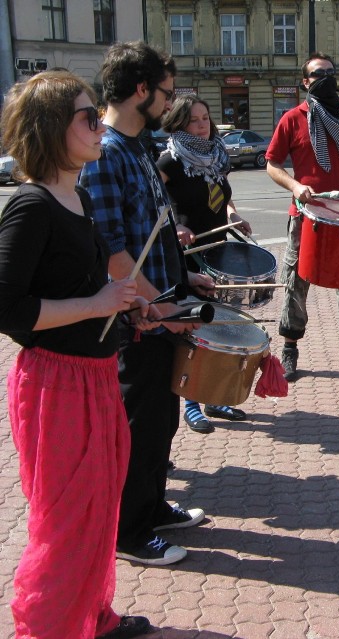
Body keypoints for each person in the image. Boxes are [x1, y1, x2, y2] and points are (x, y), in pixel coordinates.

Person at [0, 70, 156, 639]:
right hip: (55, 383)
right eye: (88, 117)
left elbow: (91, 285)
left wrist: (126, 306)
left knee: (96, 510)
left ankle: (90, 615)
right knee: (66, 519)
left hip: (93, 375)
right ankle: (48, 629)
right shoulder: (30, 206)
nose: (99, 126)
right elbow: (9, 311)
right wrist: (95, 305)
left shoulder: (80, 195)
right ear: (51, 128)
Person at [80, 41, 214, 566]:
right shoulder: (107, 153)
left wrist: (186, 282)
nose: (169, 101)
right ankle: (128, 533)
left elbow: (154, 237)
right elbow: (111, 250)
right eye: (165, 91)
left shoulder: (139, 146)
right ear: (141, 90)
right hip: (135, 320)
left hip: (159, 307)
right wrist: (161, 307)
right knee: (137, 425)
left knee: (160, 420)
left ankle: (152, 506)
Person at [266, 52, 339, 381]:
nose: (326, 79)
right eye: (319, 74)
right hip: (305, 215)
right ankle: (289, 350)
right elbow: (272, 165)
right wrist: (295, 185)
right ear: (306, 82)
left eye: (331, 73)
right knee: (296, 281)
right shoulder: (293, 118)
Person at [158, 95, 252, 433]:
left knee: (215, 323)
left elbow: (222, 195)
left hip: (216, 247)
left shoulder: (216, 155)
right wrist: (175, 224)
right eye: (194, 119)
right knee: (192, 326)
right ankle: (191, 402)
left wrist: (232, 214)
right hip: (187, 253)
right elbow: (156, 200)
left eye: (206, 118)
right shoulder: (169, 160)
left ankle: (211, 395)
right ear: (180, 123)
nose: (203, 125)